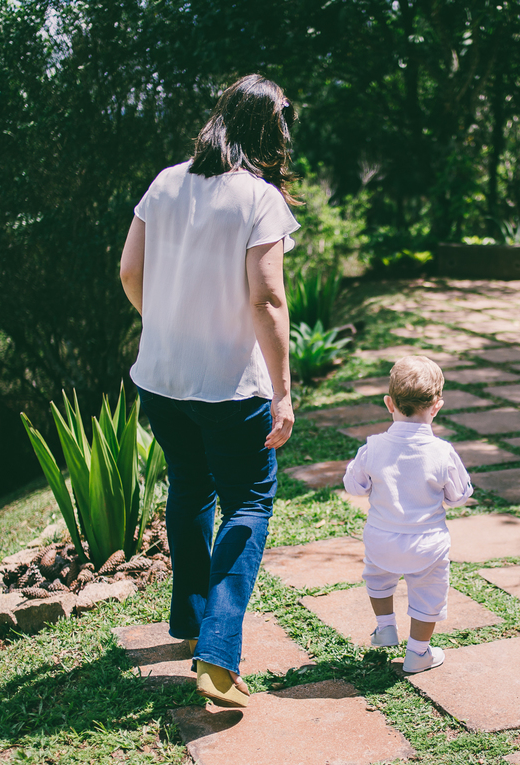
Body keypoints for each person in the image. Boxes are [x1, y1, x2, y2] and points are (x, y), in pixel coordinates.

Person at [118, 74, 300, 708]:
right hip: (231, 387)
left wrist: (167, 326)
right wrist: (283, 389)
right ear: (271, 130)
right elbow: (268, 298)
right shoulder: (260, 199)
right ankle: (217, 657)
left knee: (191, 489)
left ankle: (191, 621)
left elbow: (129, 271)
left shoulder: (164, 182)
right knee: (249, 503)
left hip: (162, 381)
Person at [342, 356, 474, 673]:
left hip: (381, 540)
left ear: (389, 403)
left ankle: (385, 626)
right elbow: (458, 495)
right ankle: (418, 653)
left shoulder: (373, 447)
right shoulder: (442, 452)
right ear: (436, 406)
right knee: (429, 594)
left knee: (377, 577)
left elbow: (355, 487)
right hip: (427, 545)